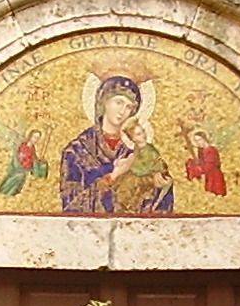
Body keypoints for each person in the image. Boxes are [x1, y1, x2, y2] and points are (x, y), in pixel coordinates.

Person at [60, 76, 174, 215]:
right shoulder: (77, 151)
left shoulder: (140, 150)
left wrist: (160, 185)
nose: (122, 111)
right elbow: (71, 206)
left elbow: (162, 202)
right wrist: (113, 177)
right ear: (104, 102)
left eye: (129, 107)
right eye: (118, 102)